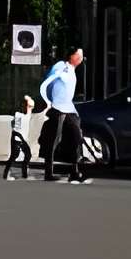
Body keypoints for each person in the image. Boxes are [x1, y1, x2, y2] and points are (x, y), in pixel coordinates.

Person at [40, 45, 86, 184]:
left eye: (81, 56)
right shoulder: (61, 66)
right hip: (58, 108)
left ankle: (74, 170)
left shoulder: (73, 70)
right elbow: (47, 83)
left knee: (76, 136)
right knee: (54, 139)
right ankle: (49, 172)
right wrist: (49, 101)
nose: (81, 58)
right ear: (71, 56)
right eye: (78, 55)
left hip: (69, 108)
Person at [5, 95, 33, 180]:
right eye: (27, 106)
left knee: (28, 154)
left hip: (22, 139)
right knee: (14, 156)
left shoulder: (27, 114)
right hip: (17, 139)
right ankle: (6, 173)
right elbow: (15, 130)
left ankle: (24, 173)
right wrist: (20, 138)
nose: (28, 108)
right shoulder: (18, 115)